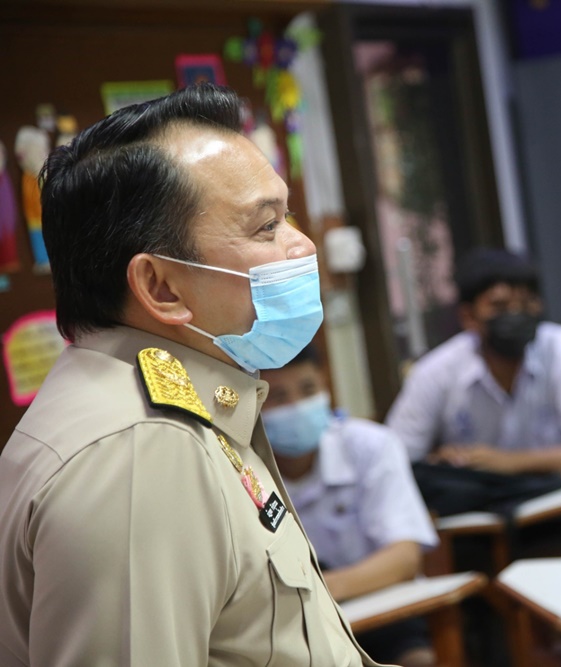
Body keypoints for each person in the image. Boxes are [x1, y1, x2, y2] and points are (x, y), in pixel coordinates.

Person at [0, 84, 378, 666]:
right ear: (160, 287)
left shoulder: (155, 404)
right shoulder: (141, 449)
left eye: (288, 217)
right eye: (266, 227)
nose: (303, 245)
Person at [260, 344, 439, 667]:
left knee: (418, 659)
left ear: (325, 386)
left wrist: (323, 590)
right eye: (279, 397)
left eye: (308, 390)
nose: (297, 406)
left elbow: (404, 557)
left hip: (384, 611)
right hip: (295, 631)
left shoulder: (371, 445)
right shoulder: (245, 470)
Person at [386, 247, 561, 478]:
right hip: (483, 506)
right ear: (468, 316)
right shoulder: (435, 373)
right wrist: (442, 464)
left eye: (526, 303)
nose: (515, 314)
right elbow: (395, 464)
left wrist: (507, 463)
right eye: (499, 306)